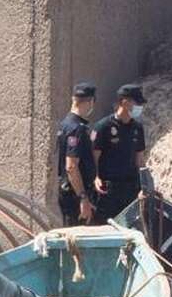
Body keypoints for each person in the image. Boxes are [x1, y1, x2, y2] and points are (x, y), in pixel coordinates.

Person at [92, 84, 147, 224]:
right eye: (136, 103)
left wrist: (145, 185)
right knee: (106, 228)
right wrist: (95, 177)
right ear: (124, 102)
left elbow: (139, 160)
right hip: (109, 190)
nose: (139, 107)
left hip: (130, 189)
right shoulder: (103, 127)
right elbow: (94, 157)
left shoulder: (137, 128)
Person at [56, 81, 97, 226]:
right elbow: (71, 166)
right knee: (77, 242)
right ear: (90, 101)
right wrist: (83, 198)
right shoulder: (77, 128)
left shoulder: (65, 124)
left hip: (69, 193)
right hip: (75, 196)